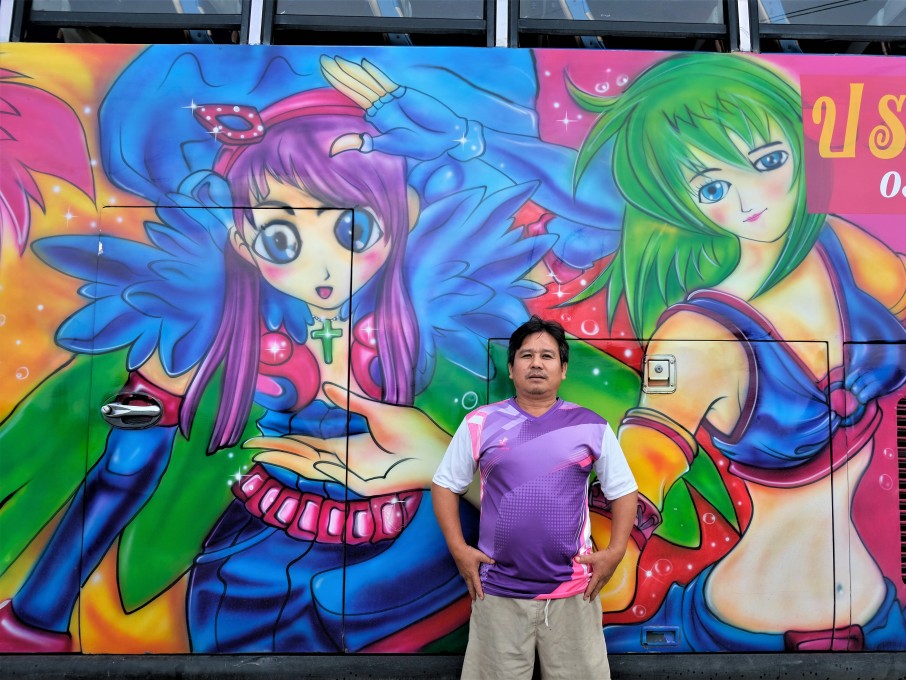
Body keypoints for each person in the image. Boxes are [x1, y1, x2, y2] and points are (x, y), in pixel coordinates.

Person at [0, 48, 553, 653]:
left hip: (409, 556)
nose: (322, 267)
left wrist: (464, 140)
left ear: (406, 218)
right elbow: (126, 467)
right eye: (282, 237)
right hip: (261, 555)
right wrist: (36, 616)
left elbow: (572, 208)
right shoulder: (224, 317)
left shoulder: (421, 298)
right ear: (241, 235)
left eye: (350, 230)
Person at [570, 53, 906, 650]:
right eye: (715, 187)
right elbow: (646, 457)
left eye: (768, 162)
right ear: (684, 205)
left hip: (878, 614)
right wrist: (605, 553)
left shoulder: (837, 248)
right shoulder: (699, 333)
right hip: (747, 627)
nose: (752, 199)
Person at [432, 315, 638, 679]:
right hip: (497, 592)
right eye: (526, 356)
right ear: (511, 369)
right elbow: (446, 484)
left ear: (563, 369)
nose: (537, 364)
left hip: (574, 592)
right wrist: (458, 549)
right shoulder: (481, 422)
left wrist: (616, 552)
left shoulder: (591, 426)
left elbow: (623, 490)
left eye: (547, 356)